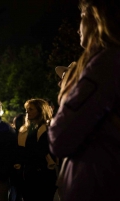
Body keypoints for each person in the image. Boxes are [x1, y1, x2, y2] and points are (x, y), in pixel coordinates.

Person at [48, 0, 120, 200]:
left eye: (81, 18)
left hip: (96, 184)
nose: (78, 27)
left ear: (96, 19)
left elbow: (61, 136)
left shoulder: (104, 64)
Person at [14, 99, 56, 201]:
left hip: (44, 175)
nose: (27, 112)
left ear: (40, 110)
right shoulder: (25, 130)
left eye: (31, 109)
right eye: (27, 109)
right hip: (28, 174)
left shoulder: (48, 128)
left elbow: (41, 150)